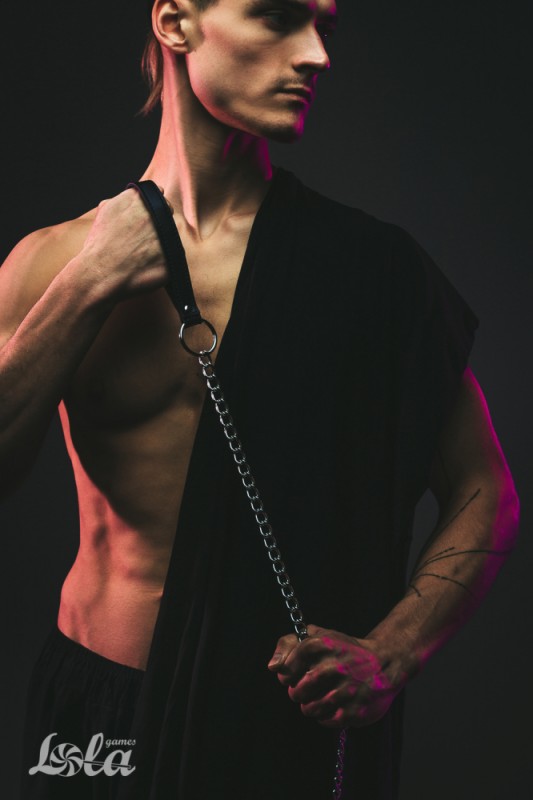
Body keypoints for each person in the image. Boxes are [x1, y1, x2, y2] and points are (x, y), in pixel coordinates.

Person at [1, 1, 519, 798]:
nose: (316, 55)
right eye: (277, 17)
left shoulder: (370, 271)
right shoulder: (52, 264)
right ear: (176, 23)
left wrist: (389, 654)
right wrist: (88, 284)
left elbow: (486, 490)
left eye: (324, 27)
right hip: (97, 716)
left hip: (270, 725)